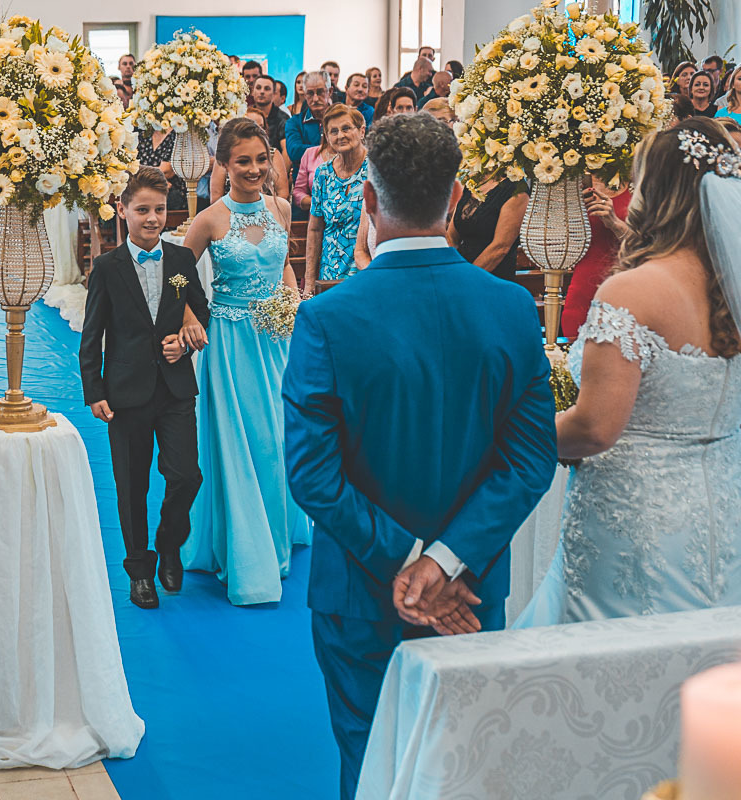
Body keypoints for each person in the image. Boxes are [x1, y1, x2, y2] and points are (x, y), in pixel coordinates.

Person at [283, 112, 556, 798]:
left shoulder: (326, 317)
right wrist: (445, 562)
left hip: (362, 594)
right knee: (460, 766)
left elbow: (312, 477)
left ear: (369, 200)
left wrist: (409, 564)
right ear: (458, 195)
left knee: (370, 765)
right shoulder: (510, 308)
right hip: (470, 589)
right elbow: (530, 460)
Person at [517, 118, 741, 627]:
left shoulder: (634, 291)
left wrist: (512, 432)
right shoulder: (733, 284)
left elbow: (594, 428)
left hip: (638, 524)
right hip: (727, 514)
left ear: (655, 192)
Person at [179, 118, 311, 606]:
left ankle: (277, 531)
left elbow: (286, 265)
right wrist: (192, 314)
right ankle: (244, 549)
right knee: (244, 439)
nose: (254, 168)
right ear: (224, 164)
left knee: (277, 439)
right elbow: (178, 276)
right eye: (243, 161)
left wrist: (292, 300)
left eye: (261, 159)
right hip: (230, 346)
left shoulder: (280, 208)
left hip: (275, 341)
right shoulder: (211, 218)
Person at [79, 166, 209, 609]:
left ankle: (170, 542)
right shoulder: (107, 268)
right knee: (131, 484)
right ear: (123, 210)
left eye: (159, 210)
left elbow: (200, 311)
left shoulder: (181, 261)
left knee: (187, 475)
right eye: (142, 210)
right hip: (125, 392)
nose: (153, 219)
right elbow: (91, 334)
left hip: (175, 389)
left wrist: (184, 343)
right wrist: (94, 391)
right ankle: (139, 569)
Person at [305, 104, 368, 293]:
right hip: (330, 274)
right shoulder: (323, 173)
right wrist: (309, 281)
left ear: (362, 131)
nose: (340, 135)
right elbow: (315, 228)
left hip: (365, 272)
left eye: (346, 128)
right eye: (333, 131)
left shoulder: (377, 169)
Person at [561, 177, 631, 338]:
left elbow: (650, 247)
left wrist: (614, 223)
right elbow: (557, 246)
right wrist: (571, 209)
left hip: (628, 290)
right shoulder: (571, 184)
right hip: (583, 290)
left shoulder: (638, 184)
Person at [447, 170, 528, 280]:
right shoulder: (473, 182)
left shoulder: (517, 190)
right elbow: (451, 236)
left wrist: (467, 277)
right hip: (460, 270)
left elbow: (500, 248)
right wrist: (452, 269)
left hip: (492, 277)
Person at [284, 71, 330, 189]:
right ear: (304, 94)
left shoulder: (342, 120)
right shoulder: (294, 122)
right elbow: (294, 151)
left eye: (320, 92)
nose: (315, 98)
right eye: (310, 93)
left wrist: (310, 150)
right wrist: (330, 149)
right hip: (304, 191)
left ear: (329, 92)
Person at [136, 124, 188, 211]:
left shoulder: (179, 133)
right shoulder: (143, 132)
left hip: (171, 191)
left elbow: (166, 171)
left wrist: (139, 176)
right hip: (143, 188)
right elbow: (130, 166)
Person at [251, 75, 288, 146]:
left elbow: (285, 149)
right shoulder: (245, 114)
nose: (262, 92)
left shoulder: (283, 119)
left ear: (274, 94)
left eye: (267, 89)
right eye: (258, 88)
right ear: (252, 91)